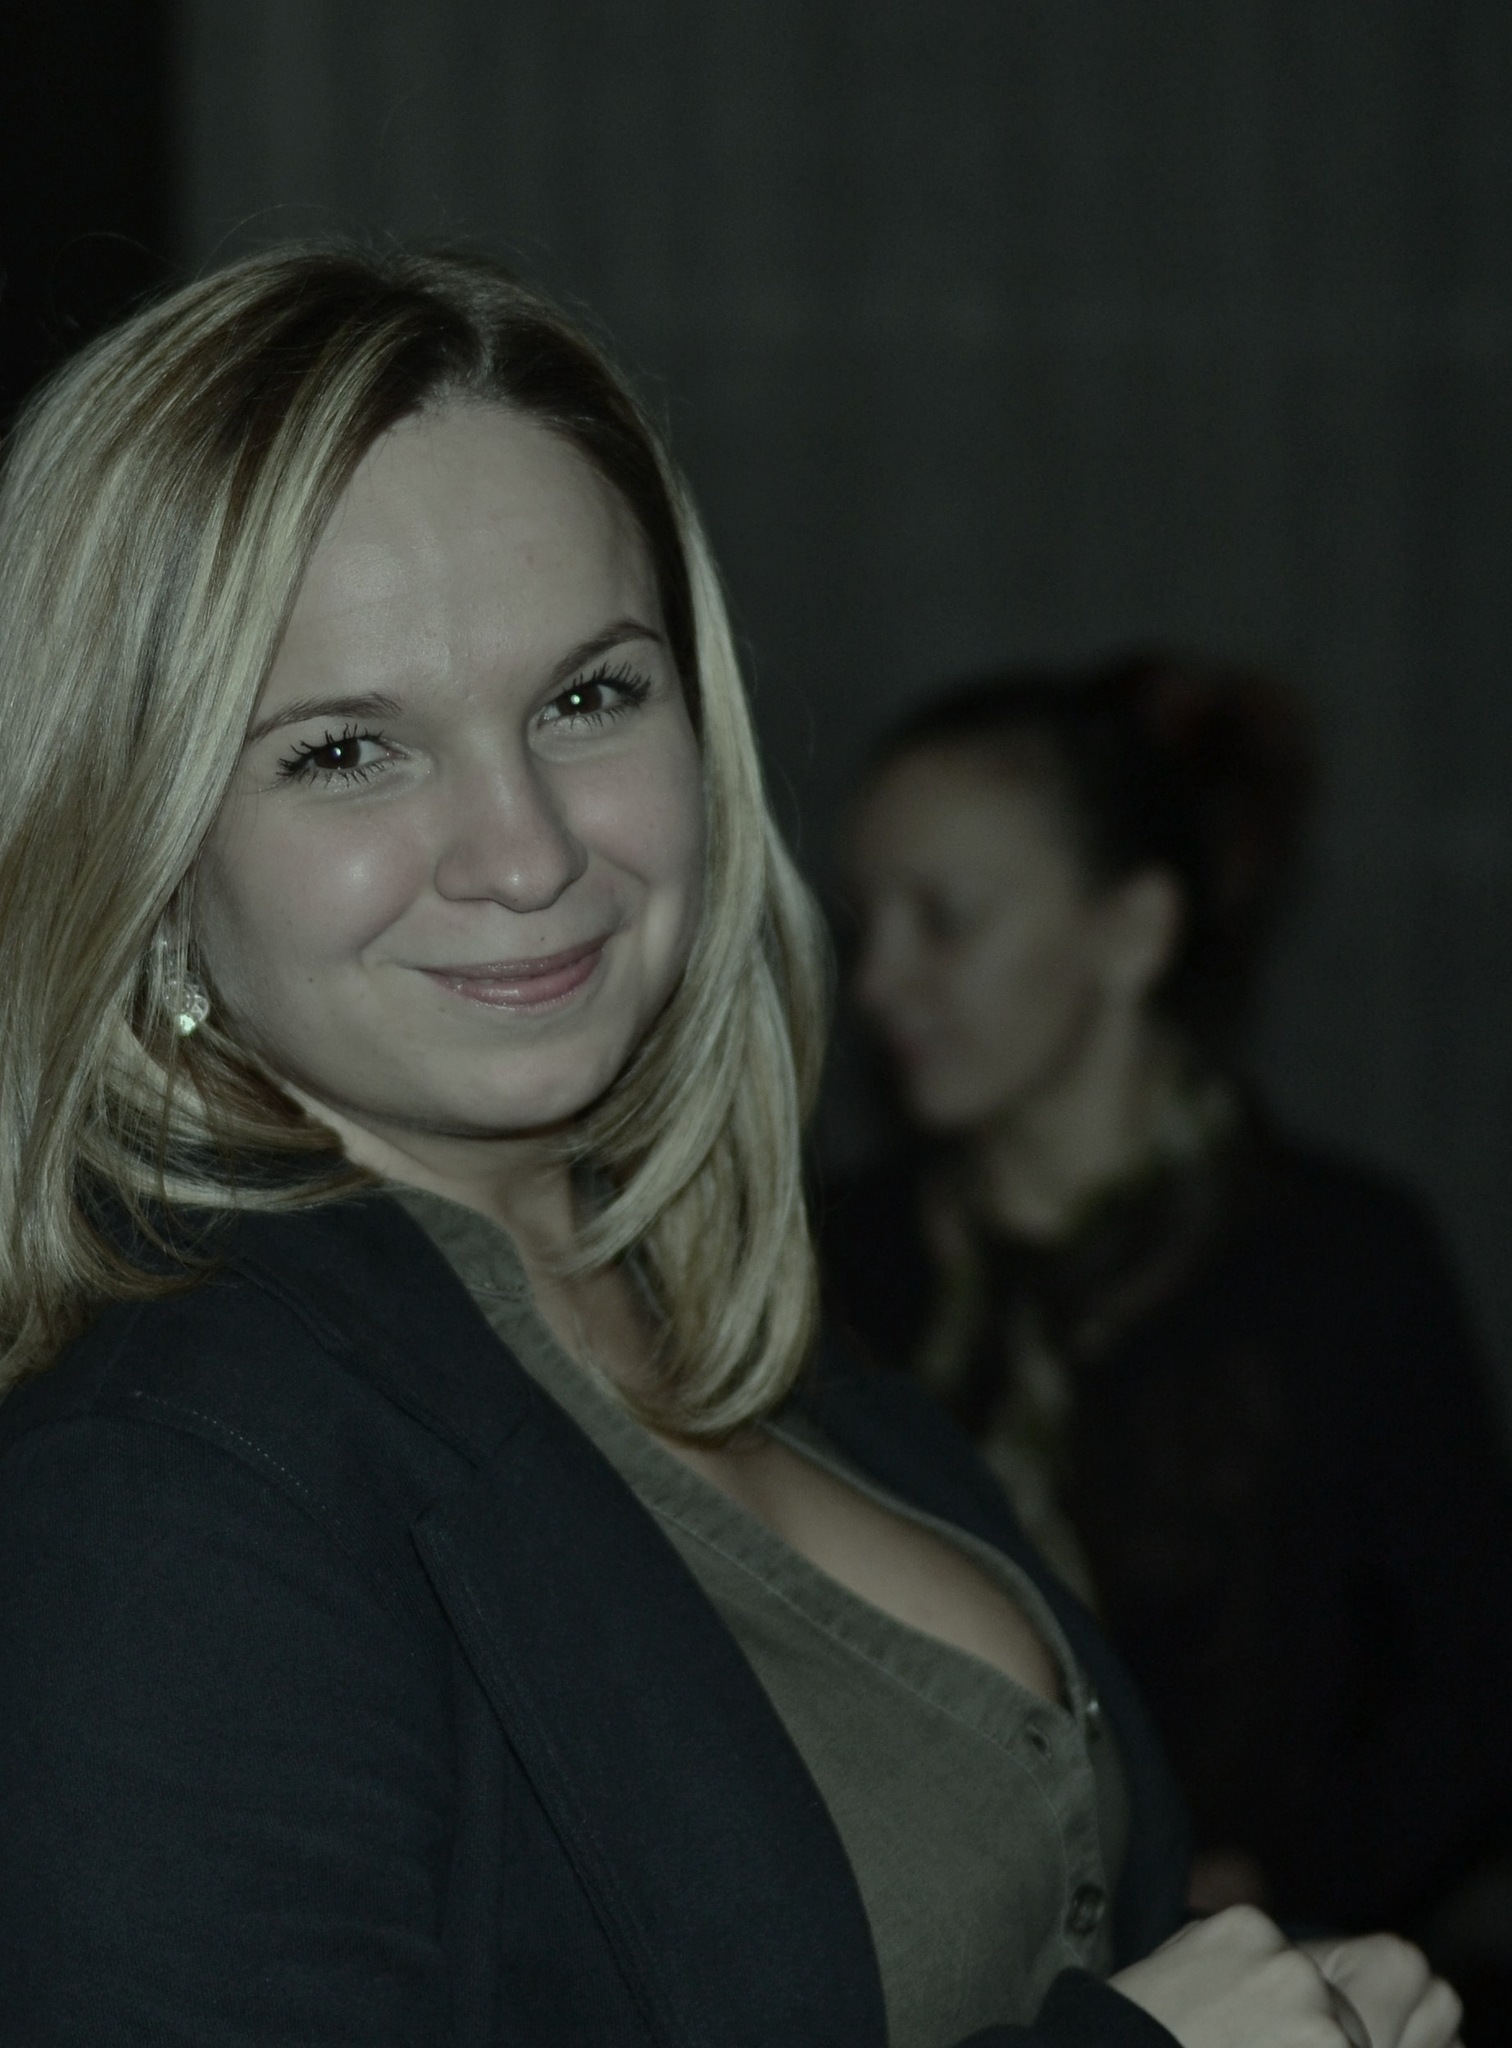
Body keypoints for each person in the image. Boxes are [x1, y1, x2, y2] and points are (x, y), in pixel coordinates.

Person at [0, 251, 1459, 2048]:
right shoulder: (156, 1501)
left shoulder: (725, 1307)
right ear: (137, 843)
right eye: (348, 750)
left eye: (587, 698)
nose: (527, 849)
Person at [824, 655, 1512, 1942]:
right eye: (869, 923)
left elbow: (1473, 1686)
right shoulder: (833, 1258)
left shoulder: (1339, 1258)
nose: (879, 981)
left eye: (946, 919)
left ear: (1132, 931)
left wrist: (1276, 1888)